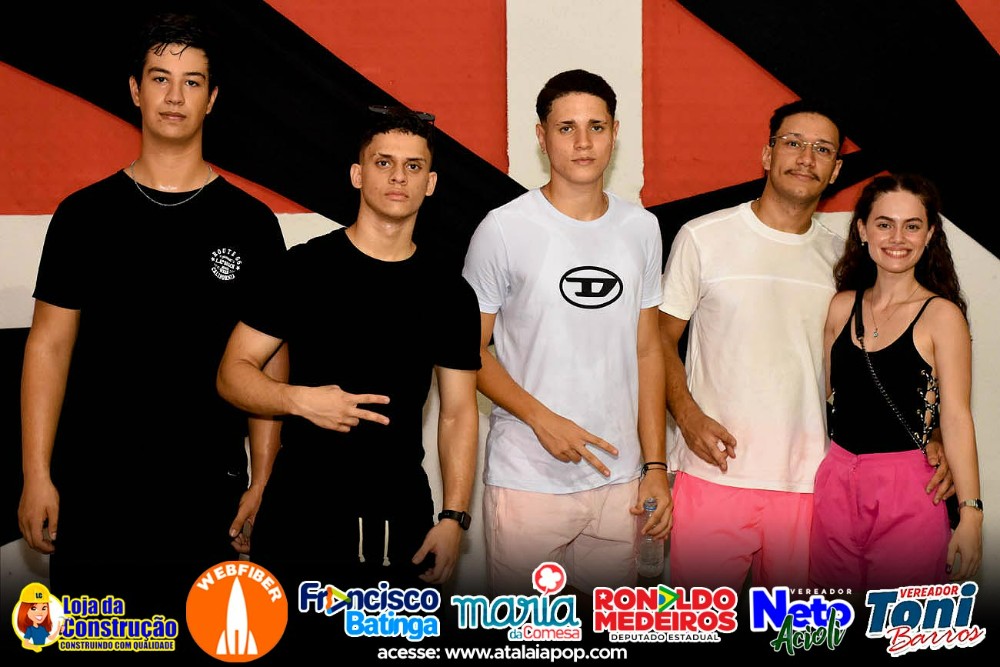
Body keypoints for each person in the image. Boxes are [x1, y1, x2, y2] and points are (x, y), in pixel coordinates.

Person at [17, 11, 286, 624]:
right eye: (160, 78)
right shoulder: (83, 217)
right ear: (136, 90)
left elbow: (270, 363)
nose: (175, 96)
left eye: (192, 82)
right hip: (93, 491)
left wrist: (263, 480)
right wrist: (36, 474)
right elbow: (47, 348)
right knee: (104, 640)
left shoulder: (251, 224)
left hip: (208, 495)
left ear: (212, 99)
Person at [659, 100, 953, 590]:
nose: (805, 157)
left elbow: (894, 356)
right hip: (713, 474)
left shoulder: (844, 260)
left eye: (822, 149)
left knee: (798, 629)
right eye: (793, 143)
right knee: (700, 622)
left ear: (835, 170)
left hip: (811, 484)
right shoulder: (703, 237)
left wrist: (934, 433)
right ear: (767, 153)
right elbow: (658, 340)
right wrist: (686, 416)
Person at [215, 107, 481, 596]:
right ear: (358, 175)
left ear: (430, 183)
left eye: (413, 166)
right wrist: (300, 400)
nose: (398, 177)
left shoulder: (450, 293)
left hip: (401, 515)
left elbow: (458, 412)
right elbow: (232, 373)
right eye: (384, 163)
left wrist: (454, 517)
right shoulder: (302, 269)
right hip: (301, 510)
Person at [462, 69, 670, 595]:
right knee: (531, 632)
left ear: (615, 132)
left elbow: (648, 351)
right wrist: (542, 419)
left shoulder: (642, 228)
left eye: (596, 127)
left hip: (620, 481)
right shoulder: (502, 229)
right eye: (566, 128)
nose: (583, 142)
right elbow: (468, 350)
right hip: (529, 477)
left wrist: (655, 464)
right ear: (541, 136)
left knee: (609, 629)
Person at [810, 173, 982, 588]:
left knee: (901, 617)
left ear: (930, 234)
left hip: (909, 491)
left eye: (912, 226)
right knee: (831, 615)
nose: (897, 238)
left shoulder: (942, 316)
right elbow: (828, 397)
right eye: (885, 224)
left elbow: (957, 416)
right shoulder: (840, 307)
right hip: (834, 484)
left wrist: (971, 514)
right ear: (862, 230)